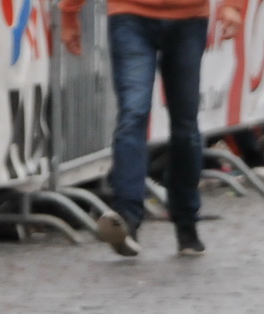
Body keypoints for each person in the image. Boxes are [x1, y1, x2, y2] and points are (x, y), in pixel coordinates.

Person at [60, 0, 242, 257]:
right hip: (130, 14)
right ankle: (127, 217)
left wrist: (234, 6)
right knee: (133, 114)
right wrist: (70, 11)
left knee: (185, 125)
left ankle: (186, 222)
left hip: (189, 17)